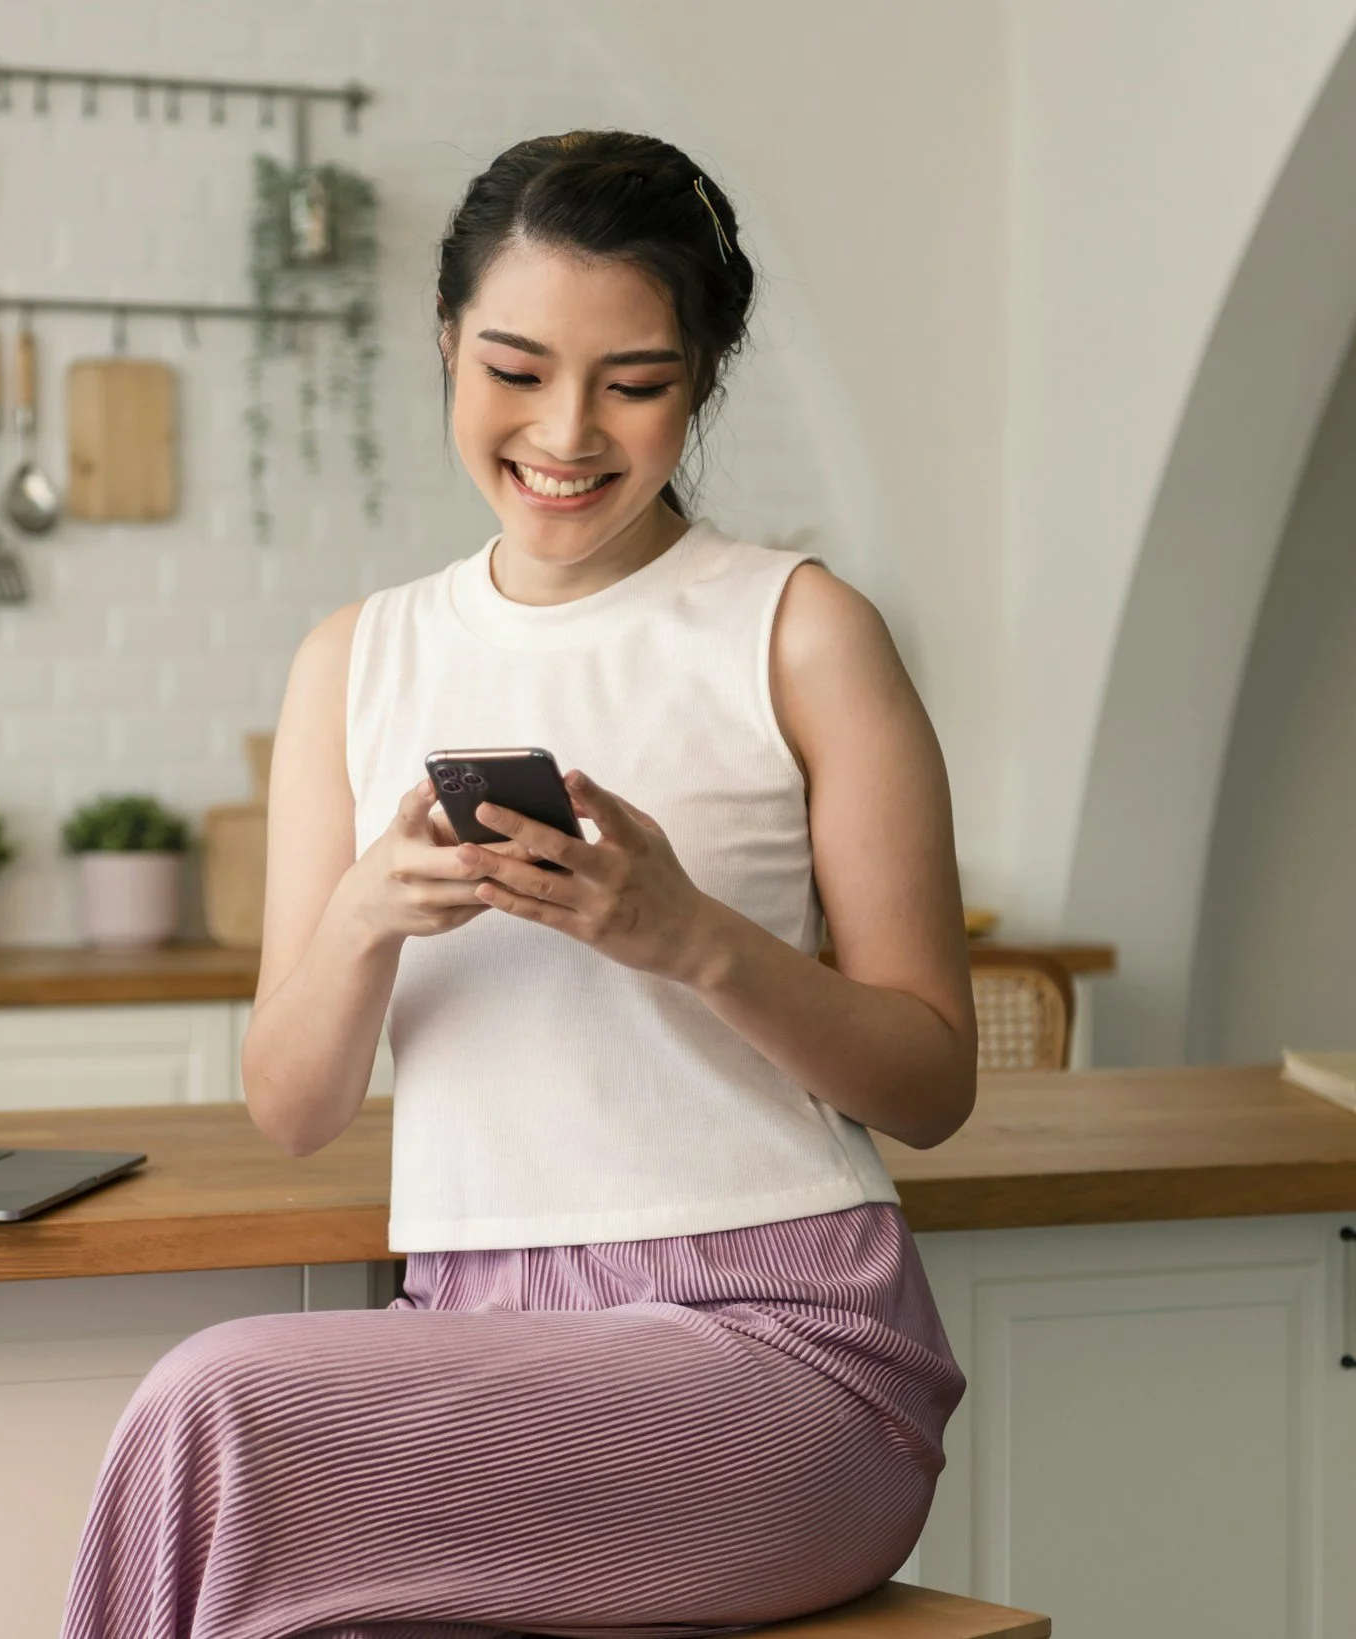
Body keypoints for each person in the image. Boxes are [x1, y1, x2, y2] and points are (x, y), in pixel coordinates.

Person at [61, 130, 975, 1639]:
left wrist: (690, 938)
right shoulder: (356, 659)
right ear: (442, 341)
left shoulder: (802, 632)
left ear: (702, 379)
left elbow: (934, 1079)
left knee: (215, 1409)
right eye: (514, 367)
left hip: (784, 1346)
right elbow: (290, 1107)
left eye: (636, 383)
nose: (568, 431)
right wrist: (367, 909)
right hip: (474, 1331)